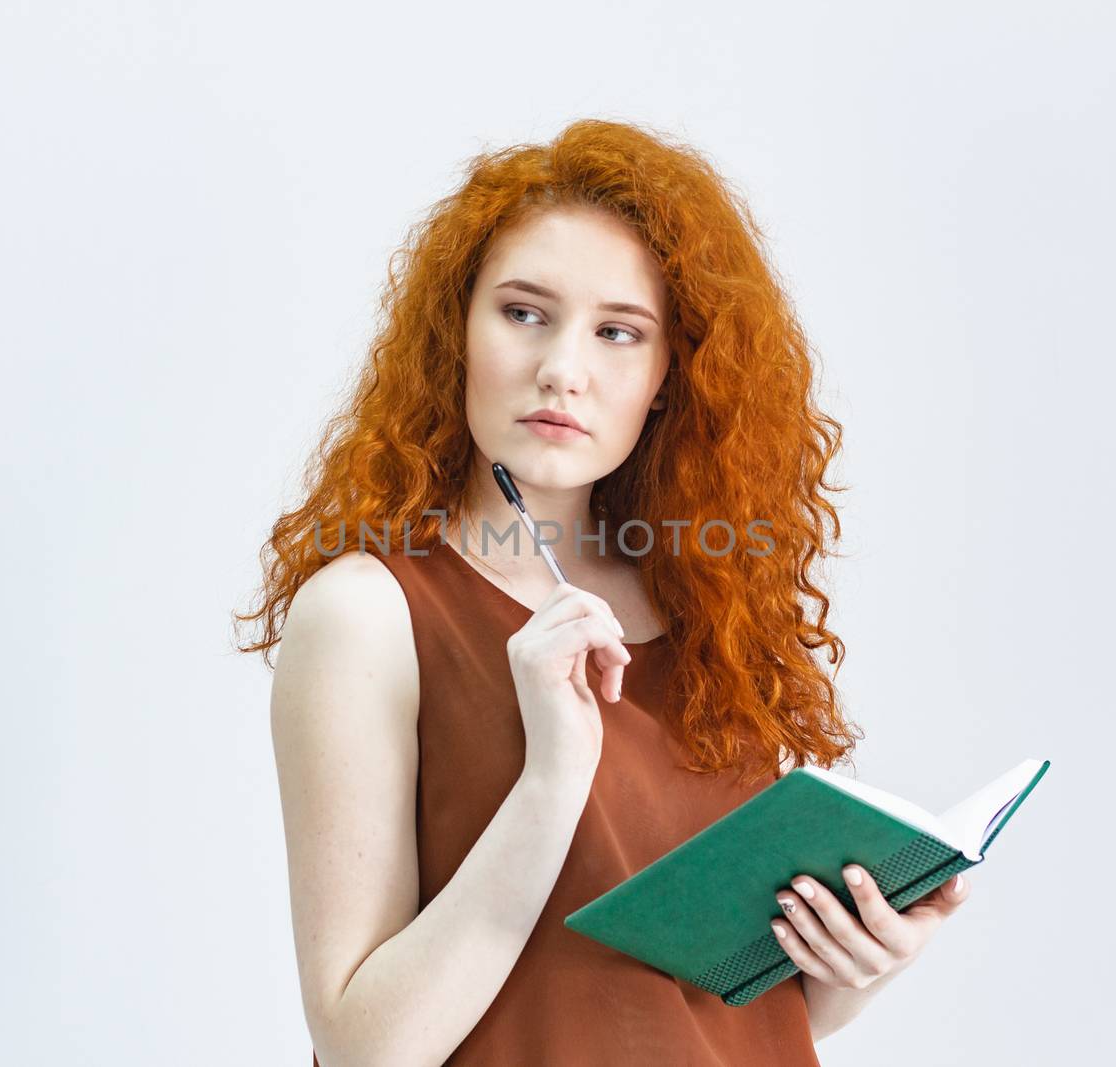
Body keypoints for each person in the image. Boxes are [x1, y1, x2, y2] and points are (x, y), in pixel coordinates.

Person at [236, 118, 972, 1066]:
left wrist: (852, 963)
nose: (562, 369)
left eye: (619, 332)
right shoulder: (366, 615)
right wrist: (551, 778)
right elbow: (364, 1048)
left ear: (669, 378)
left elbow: (703, 1005)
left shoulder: (708, 606)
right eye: (523, 312)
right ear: (453, 330)